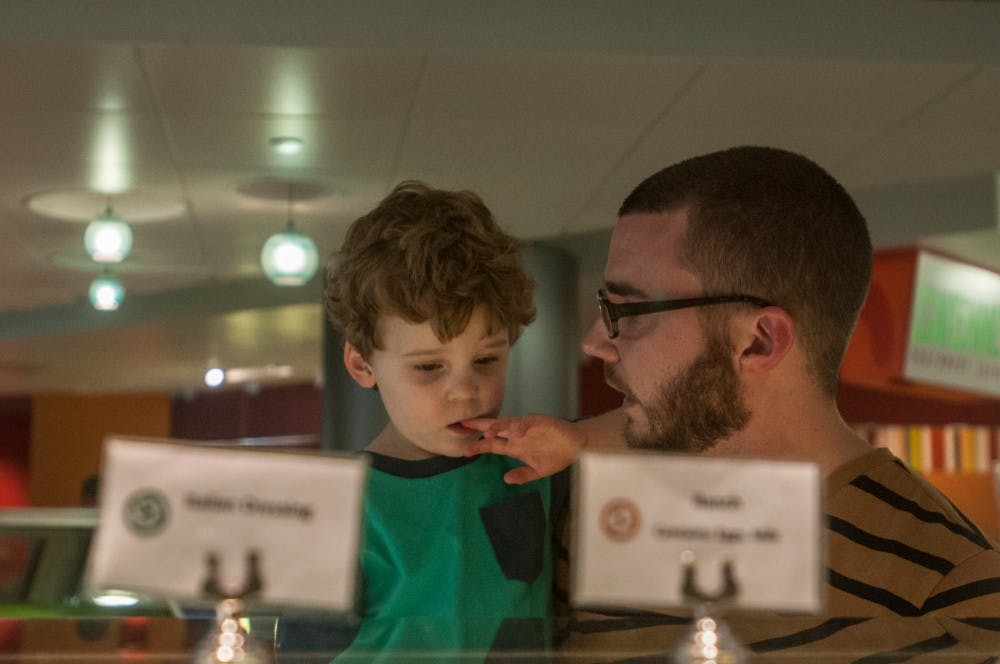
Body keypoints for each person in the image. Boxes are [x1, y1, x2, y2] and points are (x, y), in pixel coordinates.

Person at [464, 146, 1000, 620]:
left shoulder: (949, 592)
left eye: (629, 310)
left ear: (760, 341)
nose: (593, 341)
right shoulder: (567, 494)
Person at [322, 180, 565, 655]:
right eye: (429, 367)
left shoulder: (539, 467)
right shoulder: (338, 505)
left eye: (487, 359)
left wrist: (578, 438)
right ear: (362, 365)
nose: (465, 390)